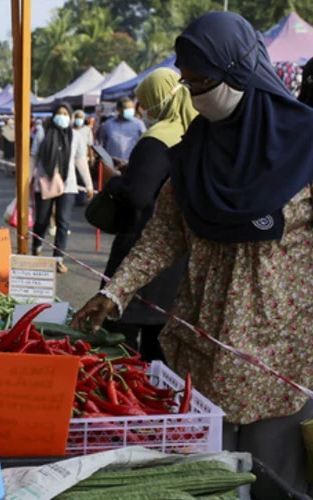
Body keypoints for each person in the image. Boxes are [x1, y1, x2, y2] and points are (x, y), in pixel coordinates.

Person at [71, 13, 313, 496]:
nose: (195, 92)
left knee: (277, 482)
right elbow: (162, 236)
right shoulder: (192, 152)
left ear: (240, 70)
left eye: (203, 80)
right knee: (209, 481)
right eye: (187, 81)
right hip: (204, 347)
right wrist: (114, 294)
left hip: (282, 358)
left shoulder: (306, 145)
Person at [97, 68, 196, 362]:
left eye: (147, 101)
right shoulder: (195, 133)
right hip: (181, 255)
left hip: (146, 249)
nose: (145, 110)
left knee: (117, 343)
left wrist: (115, 179)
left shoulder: (157, 139)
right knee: (161, 348)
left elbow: (139, 195)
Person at [30, 103, 93, 272]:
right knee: (41, 221)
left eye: (65, 113)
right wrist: (27, 180)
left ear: (71, 116)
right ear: (53, 115)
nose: (62, 116)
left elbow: (81, 160)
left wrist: (89, 185)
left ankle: (58, 258)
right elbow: (34, 157)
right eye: (59, 113)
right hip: (44, 183)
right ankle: (36, 246)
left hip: (68, 185)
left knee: (63, 222)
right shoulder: (42, 133)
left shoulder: (76, 136)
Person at [96, 96, 146, 161]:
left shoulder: (139, 124)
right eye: (127, 108)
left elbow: (144, 143)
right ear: (118, 109)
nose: (131, 110)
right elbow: (101, 142)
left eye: (132, 108)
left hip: (132, 163)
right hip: (112, 164)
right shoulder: (107, 125)